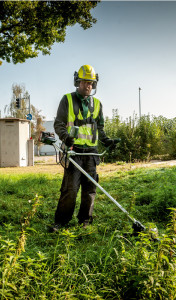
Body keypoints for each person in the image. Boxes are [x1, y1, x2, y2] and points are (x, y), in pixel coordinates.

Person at [51, 65, 119, 231]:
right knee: (70, 190)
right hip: (74, 152)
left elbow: (99, 128)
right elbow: (58, 124)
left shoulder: (97, 104)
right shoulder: (67, 99)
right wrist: (66, 137)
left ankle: (85, 221)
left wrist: (107, 140)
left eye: (91, 83)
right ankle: (61, 223)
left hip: (91, 154)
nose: (88, 85)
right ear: (77, 82)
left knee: (90, 190)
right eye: (84, 82)